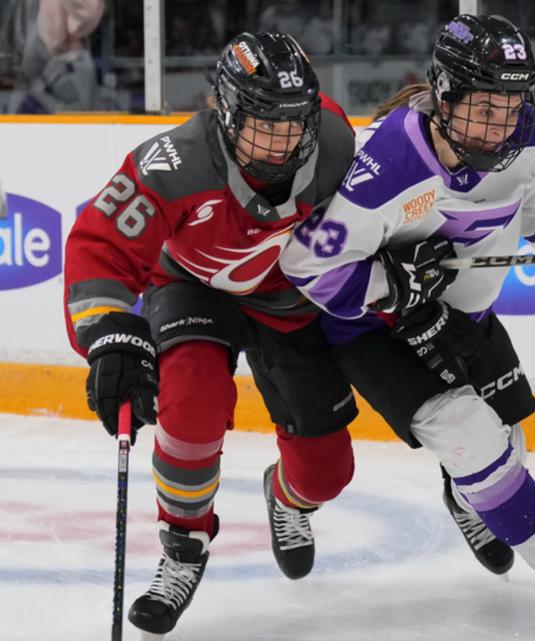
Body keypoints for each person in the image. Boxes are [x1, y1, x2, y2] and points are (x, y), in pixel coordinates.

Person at [280, 14, 535, 629]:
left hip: (465, 315)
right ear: (444, 96)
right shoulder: (388, 162)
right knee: (476, 441)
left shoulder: (532, 140)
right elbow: (311, 268)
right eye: (485, 108)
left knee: (507, 445)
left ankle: (466, 497)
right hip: (376, 331)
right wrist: (398, 287)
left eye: (513, 106)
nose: (501, 124)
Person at [63, 32, 359, 637]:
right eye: (262, 124)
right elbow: (100, 245)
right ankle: (183, 547)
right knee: (189, 409)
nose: (281, 143)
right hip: (191, 286)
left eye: (292, 124)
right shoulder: (172, 163)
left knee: (328, 471)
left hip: (288, 298)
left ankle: (287, 498)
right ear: (225, 110)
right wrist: (110, 334)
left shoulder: (335, 142)